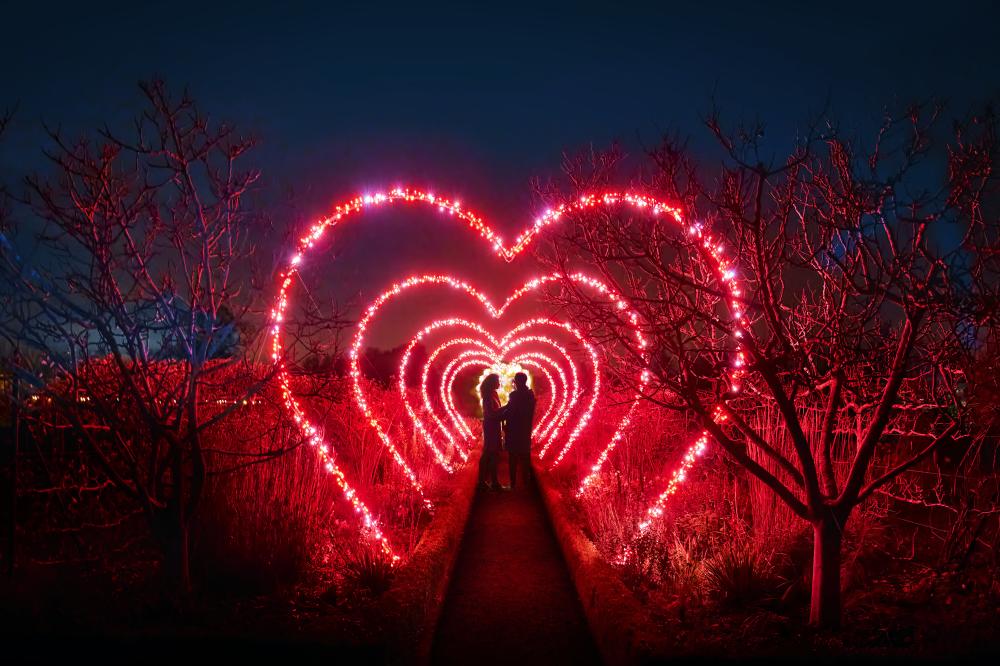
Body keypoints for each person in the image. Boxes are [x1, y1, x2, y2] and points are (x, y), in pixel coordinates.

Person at [503, 372, 536, 489]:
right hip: (525, 430)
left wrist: (503, 419)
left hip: (514, 430)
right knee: (525, 457)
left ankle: (512, 483)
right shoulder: (531, 395)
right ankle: (526, 484)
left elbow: (510, 412)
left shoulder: (514, 395)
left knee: (512, 458)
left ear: (516, 382)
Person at [478, 373, 503, 490]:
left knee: (493, 453)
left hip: (495, 426)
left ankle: (493, 482)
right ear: (493, 383)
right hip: (491, 426)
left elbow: (497, 411)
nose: (499, 383)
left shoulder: (494, 394)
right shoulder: (488, 396)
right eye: (498, 381)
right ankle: (485, 482)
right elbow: (490, 414)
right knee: (490, 452)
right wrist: (507, 407)